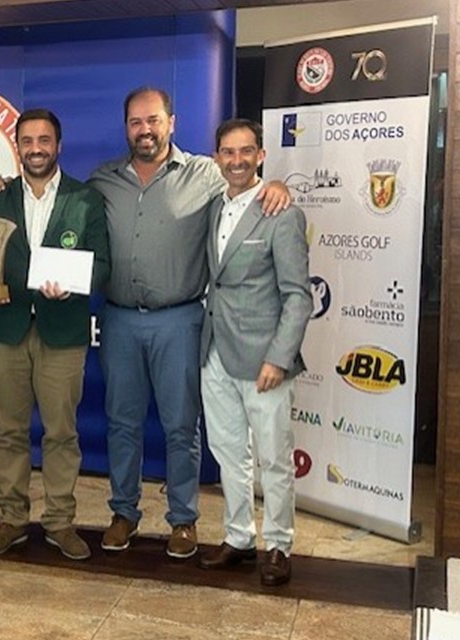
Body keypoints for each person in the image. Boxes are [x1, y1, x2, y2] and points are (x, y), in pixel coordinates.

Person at [88, 87, 291, 558]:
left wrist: (276, 184)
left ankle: (183, 519)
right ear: (126, 128)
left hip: (180, 321)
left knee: (182, 426)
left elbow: (245, 187)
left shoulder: (206, 173)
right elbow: (62, 202)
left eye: (153, 120)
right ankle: (123, 513)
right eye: (136, 122)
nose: (145, 130)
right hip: (118, 321)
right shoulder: (103, 179)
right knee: (121, 423)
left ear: (172, 123)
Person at [0, 109, 110, 560]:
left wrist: (73, 285)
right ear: (18, 147)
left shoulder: (85, 199)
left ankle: (60, 521)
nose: (36, 149)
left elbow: (103, 265)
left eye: (44, 140)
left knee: (61, 433)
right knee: (9, 430)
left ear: (58, 146)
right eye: (27, 141)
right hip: (7, 328)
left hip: (62, 331)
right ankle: (12, 518)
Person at [197, 119, 311, 586]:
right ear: (217, 158)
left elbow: (298, 296)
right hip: (214, 353)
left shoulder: (281, 213)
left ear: (261, 155)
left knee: (274, 459)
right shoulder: (213, 207)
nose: (237, 160)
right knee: (228, 453)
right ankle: (239, 537)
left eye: (246, 151)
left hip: (264, 360)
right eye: (228, 152)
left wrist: (279, 358)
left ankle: (279, 545)